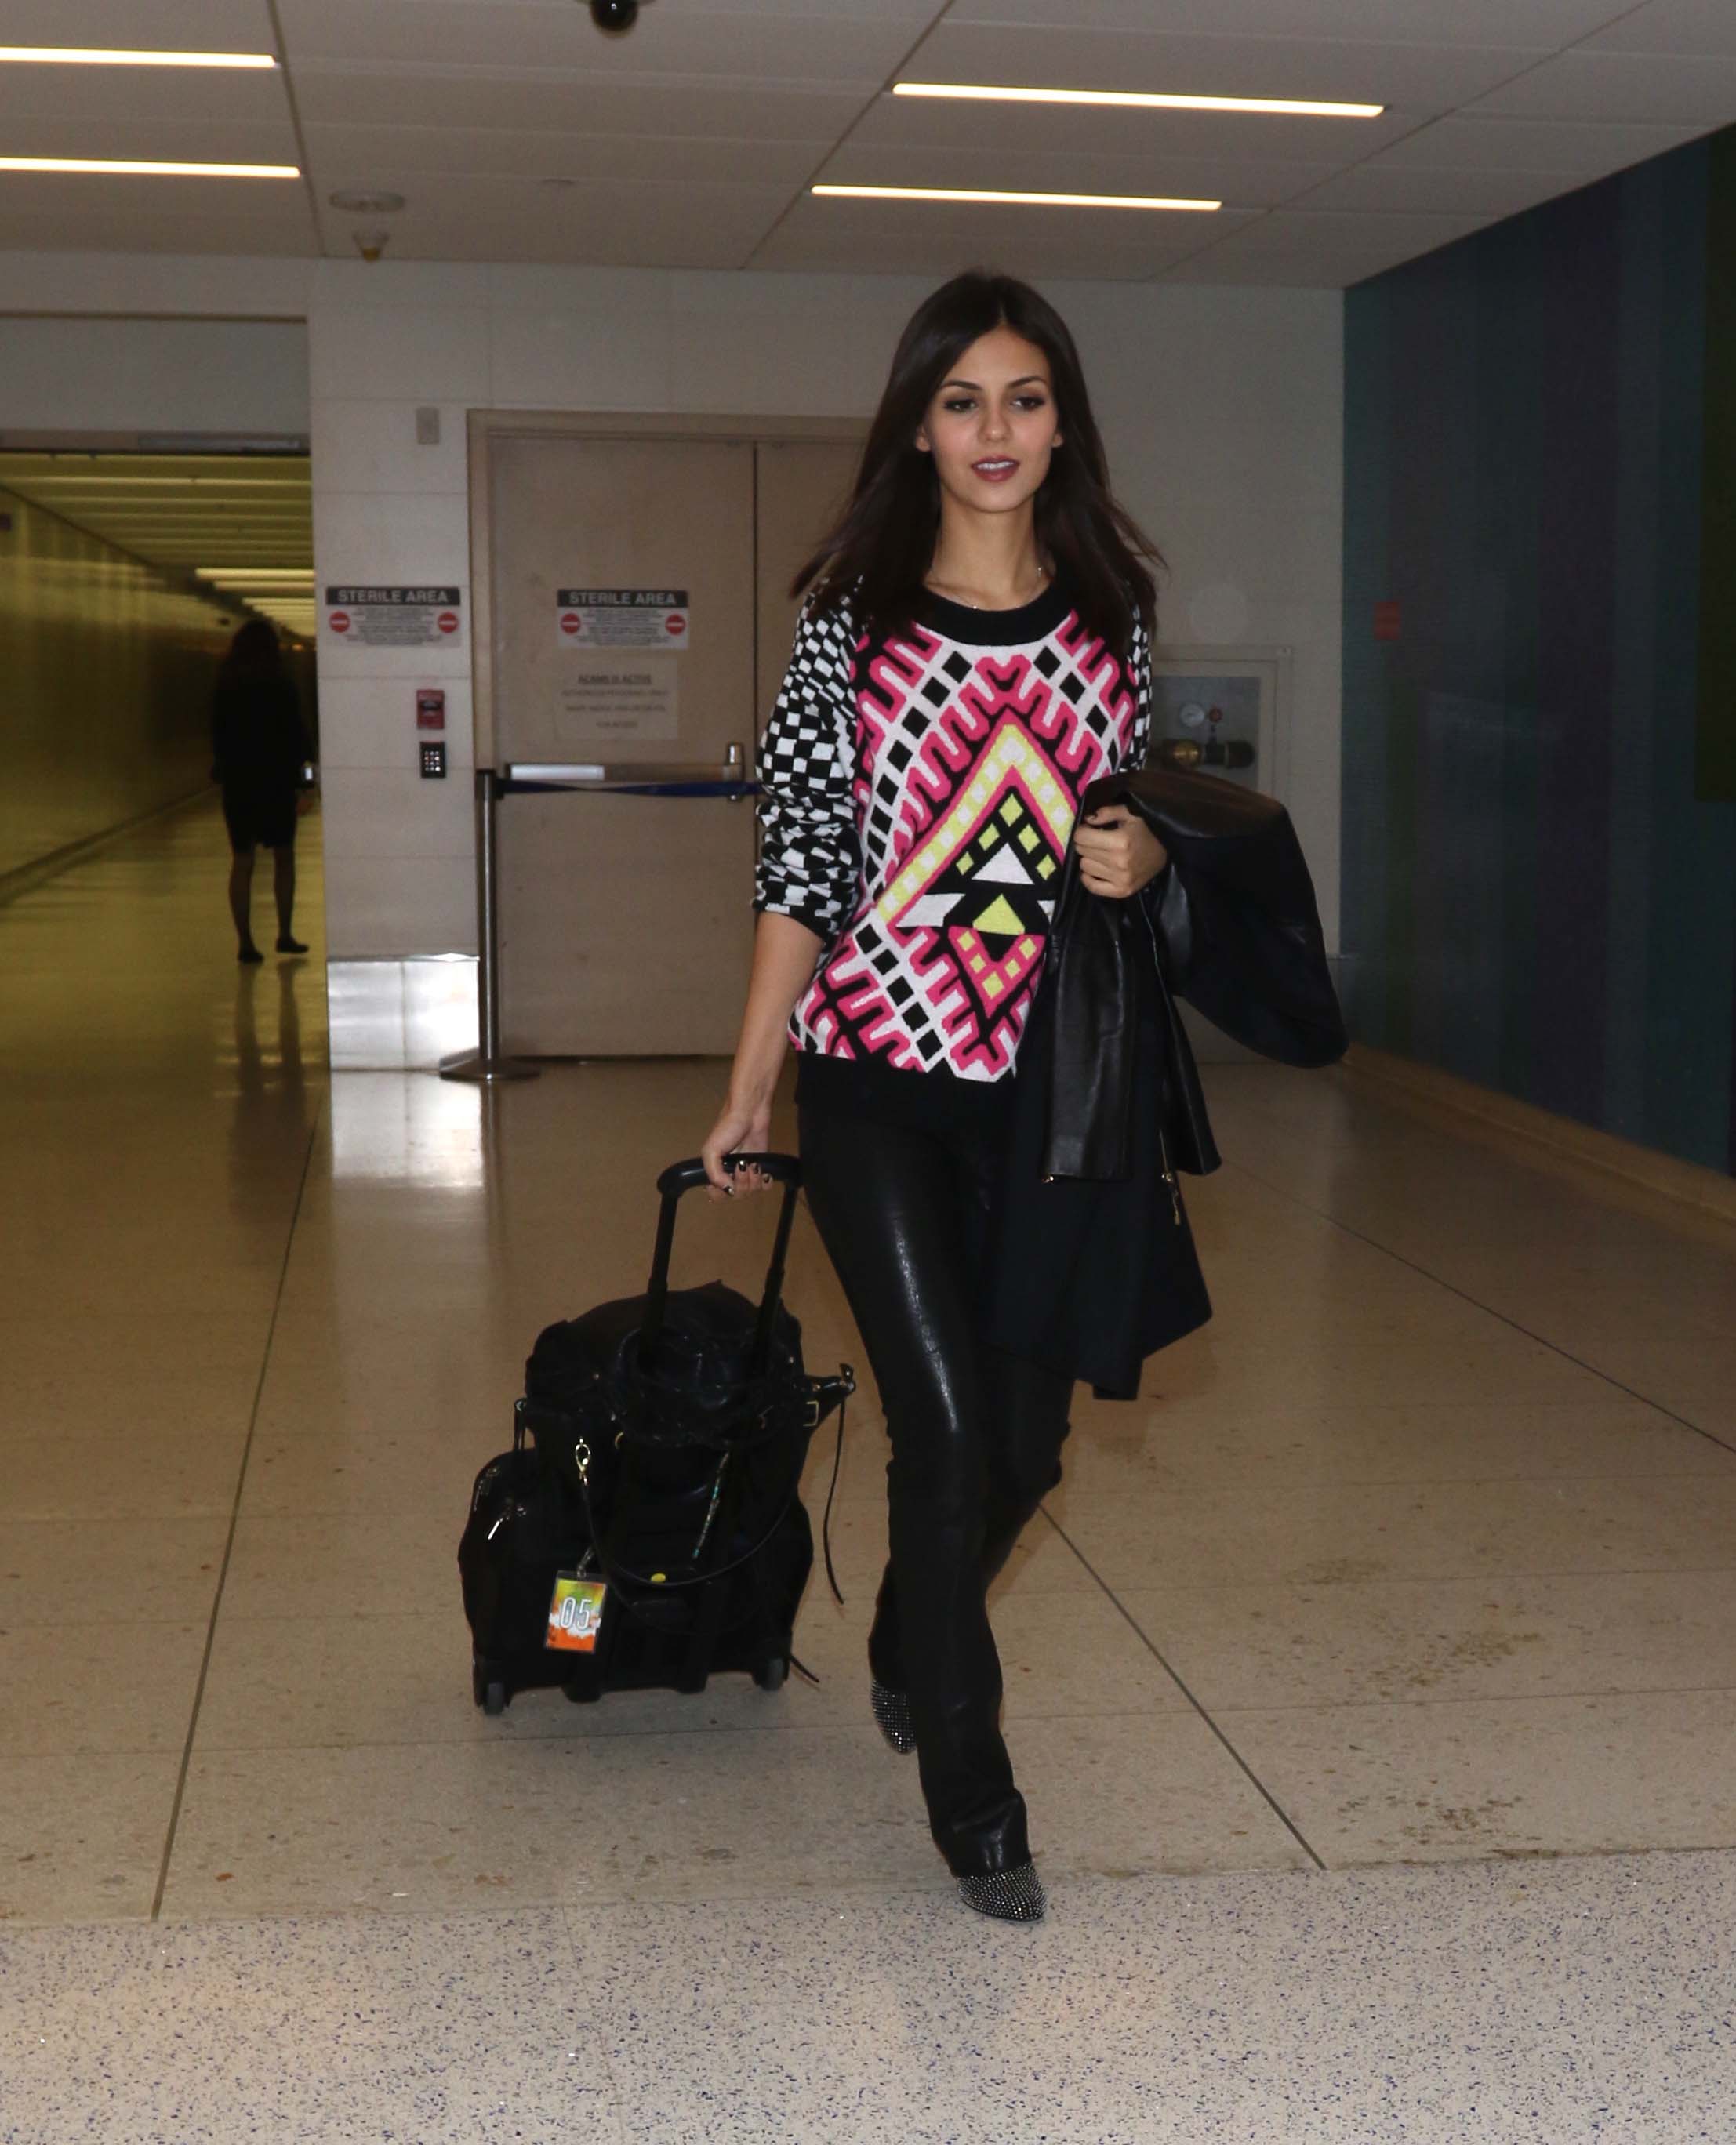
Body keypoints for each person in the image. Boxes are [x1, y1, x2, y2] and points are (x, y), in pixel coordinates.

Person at [700, 270, 1171, 1924]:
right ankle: (972, 1791)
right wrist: (753, 1083)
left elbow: (1135, 820)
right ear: (919, 420)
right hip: (877, 1080)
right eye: (963, 400)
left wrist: (1141, 852)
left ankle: (912, 1631)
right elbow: (803, 863)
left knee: (1029, 1444)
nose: (996, 430)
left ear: (1064, 421)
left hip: (1054, 1092)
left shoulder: (1114, 617)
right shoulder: (855, 625)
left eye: (1026, 398)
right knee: (946, 1426)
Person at [210, 619, 314, 962]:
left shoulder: (226, 684)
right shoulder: (281, 683)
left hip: (239, 784)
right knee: (284, 857)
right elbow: (300, 738)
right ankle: (284, 933)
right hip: (277, 781)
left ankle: (246, 943)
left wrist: (222, 770)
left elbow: (217, 735)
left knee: (242, 860)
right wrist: (308, 784)